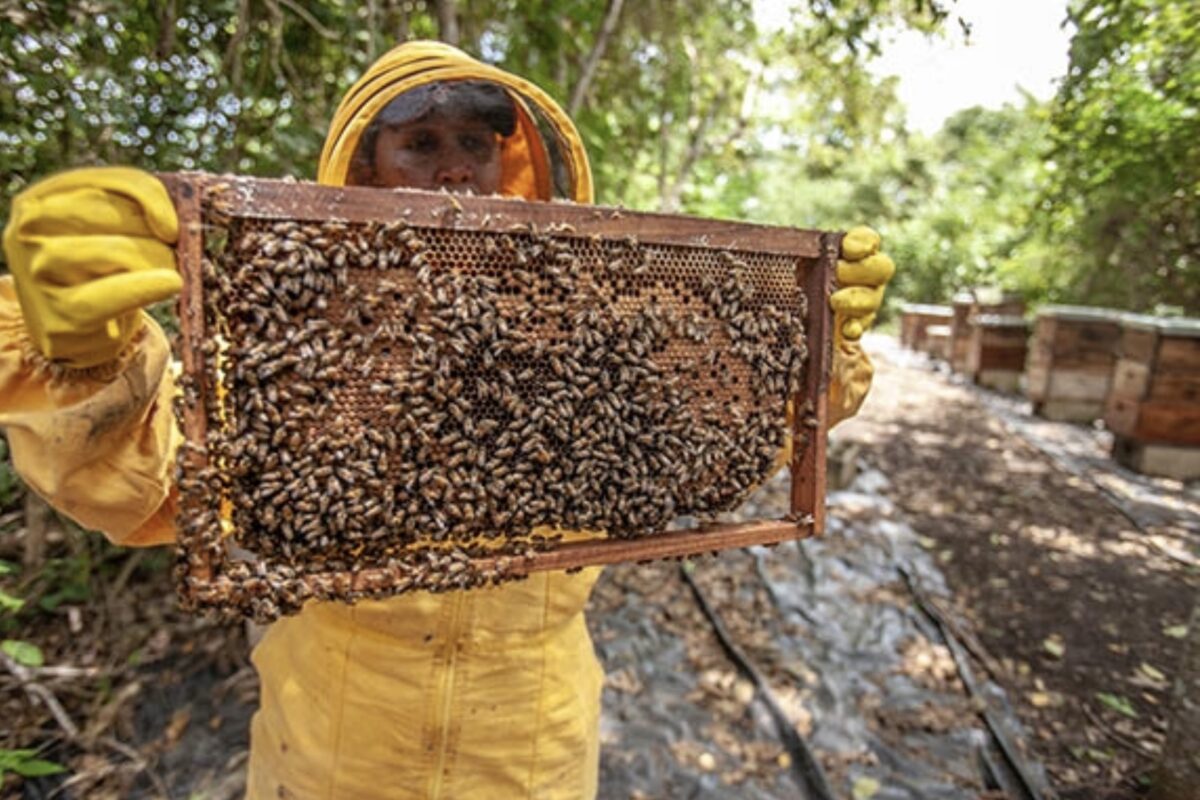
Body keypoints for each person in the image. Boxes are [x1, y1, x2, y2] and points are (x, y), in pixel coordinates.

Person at [0, 41, 893, 799]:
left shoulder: (601, 331)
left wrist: (810, 352)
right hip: (336, 745)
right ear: (363, 169)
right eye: (420, 144)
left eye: (476, 141)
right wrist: (84, 360)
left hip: (531, 747)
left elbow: (717, 442)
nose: (457, 169)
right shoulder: (301, 339)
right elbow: (150, 486)